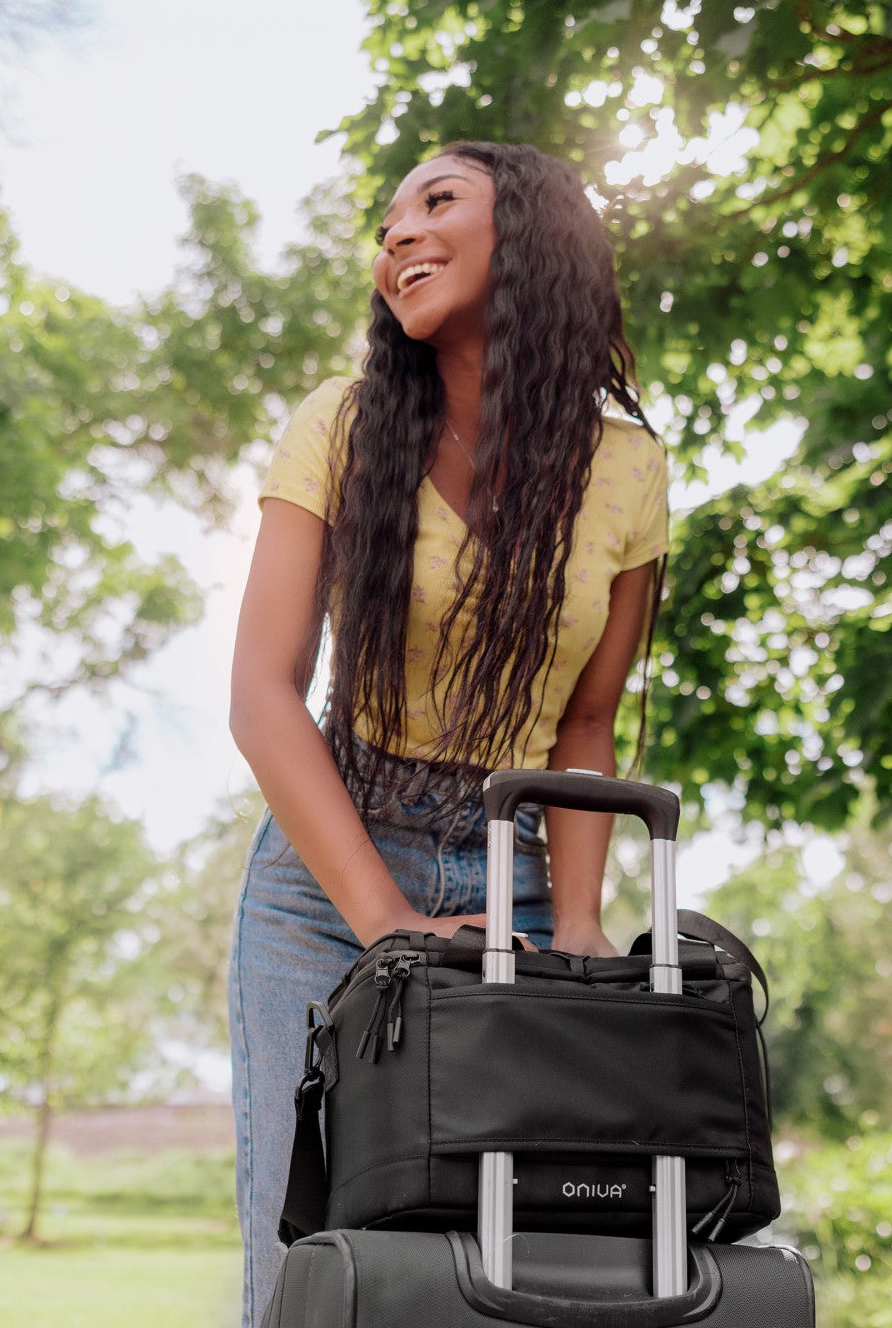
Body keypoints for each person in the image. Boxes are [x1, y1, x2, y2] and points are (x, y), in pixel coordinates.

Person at [225, 139, 670, 1325]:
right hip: (324, 879)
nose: (397, 239)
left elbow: (586, 717)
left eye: (435, 202)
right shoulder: (341, 422)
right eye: (385, 226)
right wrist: (386, 923)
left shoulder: (626, 470)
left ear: (526, 232)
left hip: (517, 878)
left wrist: (574, 921)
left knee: (500, 1269)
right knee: (301, 1265)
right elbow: (263, 694)